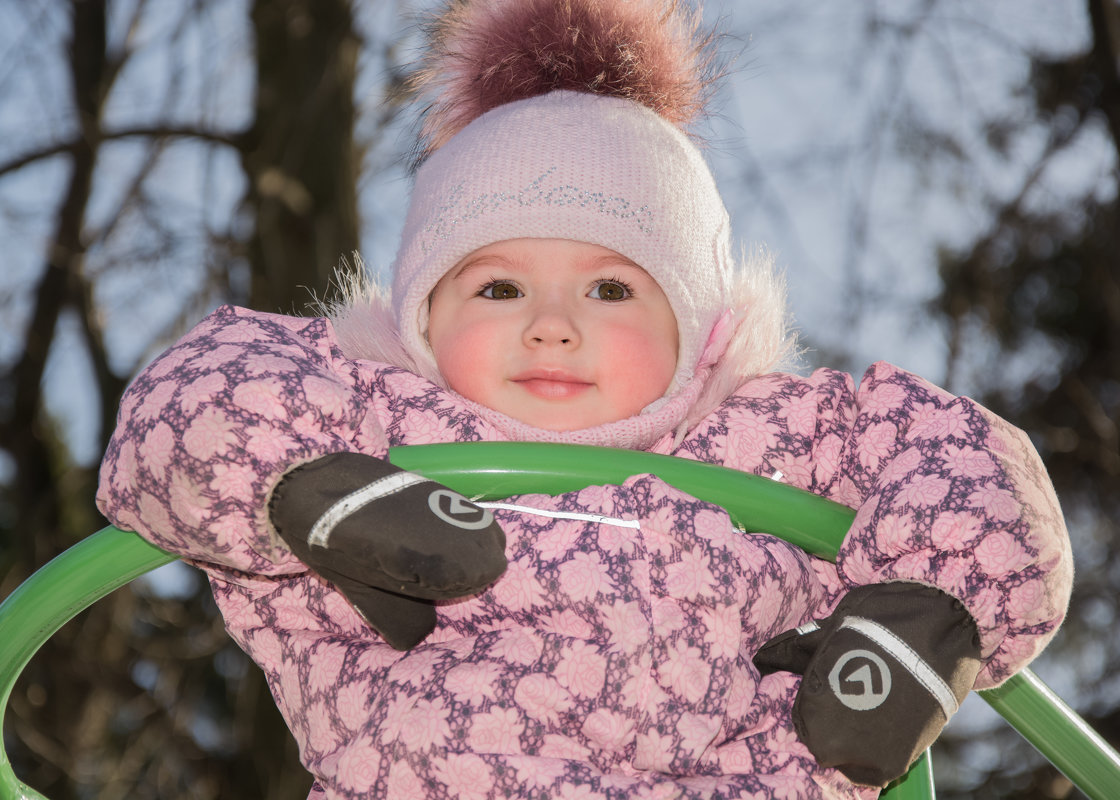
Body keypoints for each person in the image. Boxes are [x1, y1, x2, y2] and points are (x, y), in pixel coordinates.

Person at [96, 1, 1073, 797]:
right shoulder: (369, 420)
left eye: (611, 288)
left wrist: (920, 614)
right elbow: (199, 403)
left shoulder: (771, 436)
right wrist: (309, 490)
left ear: (696, 328)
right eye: (497, 286)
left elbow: (963, 463)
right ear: (425, 318)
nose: (551, 323)